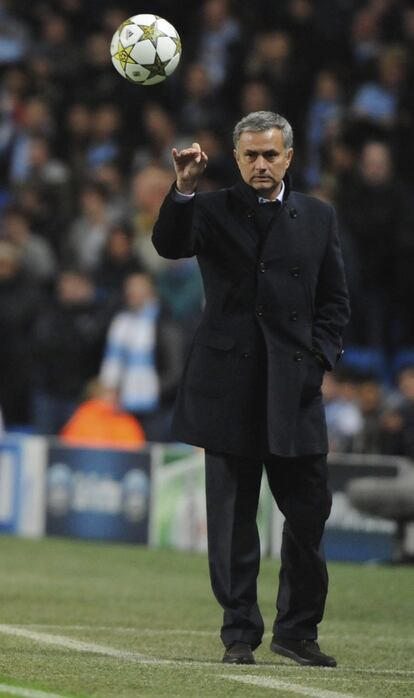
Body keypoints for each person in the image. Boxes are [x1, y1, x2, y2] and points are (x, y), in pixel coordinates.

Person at [152, 111, 350, 666]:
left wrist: (318, 362)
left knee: (309, 517)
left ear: (288, 157)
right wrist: (184, 189)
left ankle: (297, 632)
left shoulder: (317, 216)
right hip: (229, 387)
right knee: (234, 523)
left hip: (296, 390)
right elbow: (169, 245)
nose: (260, 164)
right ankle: (239, 635)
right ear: (236, 159)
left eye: (270, 154)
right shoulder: (210, 208)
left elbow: (335, 302)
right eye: (250, 156)